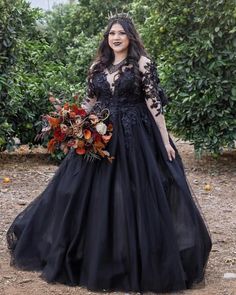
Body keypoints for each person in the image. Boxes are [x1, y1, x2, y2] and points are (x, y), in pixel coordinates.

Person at [6, 12, 212, 293]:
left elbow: (155, 106)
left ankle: (133, 260)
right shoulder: (97, 67)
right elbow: (90, 101)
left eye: (121, 33)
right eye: (112, 33)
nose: (116, 37)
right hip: (100, 134)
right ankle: (92, 255)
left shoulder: (143, 64)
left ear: (130, 37)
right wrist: (74, 125)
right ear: (107, 38)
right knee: (82, 192)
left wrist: (165, 141)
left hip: (136, 136)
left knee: (134, 194)